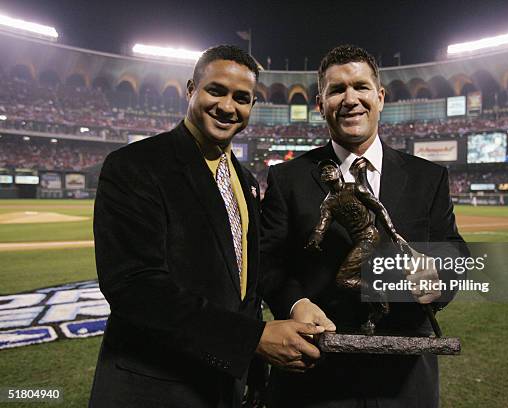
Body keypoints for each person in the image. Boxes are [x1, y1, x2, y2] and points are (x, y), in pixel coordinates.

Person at [89, 45, 324, 408]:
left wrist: (260, 363)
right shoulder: (136, 165)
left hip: (224, 387)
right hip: (154, 389)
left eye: (241, 98)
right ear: (190, 89)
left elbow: (245, 284)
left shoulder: (245, 181)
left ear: (251, 107)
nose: (228, 107)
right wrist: (251, 341)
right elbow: (134, 288)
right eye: (216, 90)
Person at [261, 45, 467, 407]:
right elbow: (268, 261)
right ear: (320, 103)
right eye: (337, 89)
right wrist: (295, 303)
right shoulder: (287, 179)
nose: (350, 98)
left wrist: (437, 276)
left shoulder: (428, 177)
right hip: (313, 378)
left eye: (360, 86)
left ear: (380, 97)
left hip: (403, 382)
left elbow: (453, 249)